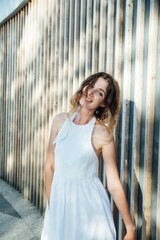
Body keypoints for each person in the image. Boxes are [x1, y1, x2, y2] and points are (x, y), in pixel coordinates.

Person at [41, 72, 136, 240]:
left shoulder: (102, 133)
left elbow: (113, 184)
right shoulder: (59, 121)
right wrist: (53, 206)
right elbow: (49, 168)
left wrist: (130, 227)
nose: (91, 92)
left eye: (100, 92)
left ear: (104, 103)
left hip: (91, 212)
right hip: (60, 207)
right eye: (90, 86)